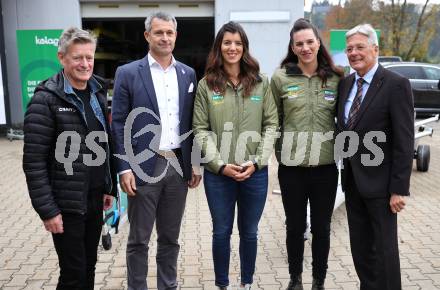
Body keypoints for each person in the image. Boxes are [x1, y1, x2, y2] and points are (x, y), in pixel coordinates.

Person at [111, 12, 201, 290]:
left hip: (177, 166)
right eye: (159, 32)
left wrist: (195, 162)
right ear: (147, 35)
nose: (164, 37)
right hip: (142, 167)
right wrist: (124, 167)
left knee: (170, 238)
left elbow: (195, 122)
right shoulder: (127, 73)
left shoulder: (188, 74)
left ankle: (167, 285)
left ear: (176, 36)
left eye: (169, 33)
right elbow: (118, 122)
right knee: (139, 238)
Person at [22, 27, 116, 290]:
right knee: (73, 273)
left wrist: (110, 187)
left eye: (89, 57)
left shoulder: (98, 92)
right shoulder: (46, 100)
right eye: (78, 58)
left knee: (89, 266)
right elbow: (34, 162)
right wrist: (48, 210)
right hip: (67, 204)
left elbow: (104, 143)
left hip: (95, 197)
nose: (85, 64)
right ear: (62, 58)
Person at [193, 21, 278, 290]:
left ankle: (247, 283)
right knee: (221, 232)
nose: (232, 48)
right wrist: (219, 165)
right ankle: (222, 284)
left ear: (245, 47)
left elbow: (272, 125)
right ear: (219, 47)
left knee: (250, 233)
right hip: (219, 176)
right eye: (227, 42)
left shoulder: (260, 83)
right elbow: (200, 128)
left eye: (238, 43)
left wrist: (257, 162)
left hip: (255, 173)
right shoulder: (206, 85)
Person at [336, 24, 414, 290]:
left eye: (360, 47)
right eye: (349, 49)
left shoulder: (396, 85)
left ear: (375, 49)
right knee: (361, 250)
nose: (354, 53)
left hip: (382, 188)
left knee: (385, 251)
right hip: (353, 184)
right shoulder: (346, 84)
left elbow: (404, 141)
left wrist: (398, 189)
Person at [270, 18, 344, 290]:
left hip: (325, 167)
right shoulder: (280, 78)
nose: (305, 47)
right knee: (295, 227)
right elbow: (273, 121)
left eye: (310, 42)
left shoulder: (336, 77)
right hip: (292, 169)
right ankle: (295, 279)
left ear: (318, 43)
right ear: (292, 46)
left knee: (321, 228)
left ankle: (319, 281)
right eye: (299, 43)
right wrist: (281, 153)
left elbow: (345, 119)